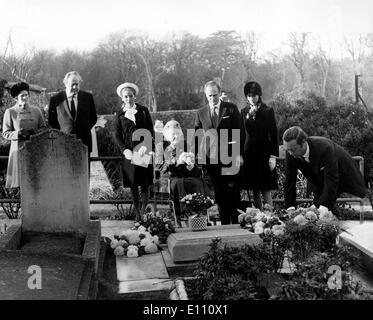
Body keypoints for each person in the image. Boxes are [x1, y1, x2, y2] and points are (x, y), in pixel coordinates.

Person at [193, 80, 244, 224]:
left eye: (215, 95)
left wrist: (239, 154)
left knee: (233, 190)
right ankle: (224, 223)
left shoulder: (231, 109)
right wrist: (196, 155)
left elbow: (240, 132)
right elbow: (198, 136)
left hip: (231, 155)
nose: (212, 99)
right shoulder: (201, 113)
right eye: (209, 96)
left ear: (219, 93)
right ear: (206, 95)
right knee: (219, 192)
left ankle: (236, 222)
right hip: (212, 158)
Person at [282, 126, 367, 212]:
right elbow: (289, 181)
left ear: (303, 142)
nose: (290, 153)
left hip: (343, 174)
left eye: (293, 150)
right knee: (316, 209)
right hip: (319, 178)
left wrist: (323, 208)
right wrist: (290, 208)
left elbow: (332, 179)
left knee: (323, 209)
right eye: (288, 150)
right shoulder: (290, 152)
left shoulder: (325, 147)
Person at [155, 120, 210, 226]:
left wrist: (192, 165)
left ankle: (199, 212)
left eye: (177, 134)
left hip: (188, 175)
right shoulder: (163, 148)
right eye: (172, 135)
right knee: (178, 183)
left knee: (198, 182)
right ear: (167, 137)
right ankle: (183, 213)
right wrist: (176, 162)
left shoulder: (187, 145)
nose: (175, 137)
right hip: (172, 177)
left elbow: (196, 163)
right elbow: (159, 166)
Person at [113, 82, 154, 221]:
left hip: (143, 151)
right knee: (134, 184)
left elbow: (150, 130)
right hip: (129, 153)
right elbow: (117, 135)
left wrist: (146, 145)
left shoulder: (143, 110)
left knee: (145, 183)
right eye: (126, 96)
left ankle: (144, 213)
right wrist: (125, 150)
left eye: (131, 96)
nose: (128, 99)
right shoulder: (119, 115)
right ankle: (137, 214)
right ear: (122, 98)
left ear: (134, 96)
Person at [240, 81, 279, 210]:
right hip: (249, 154)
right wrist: (240, 154)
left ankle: (270, 216)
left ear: (259, 95)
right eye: (250, 95)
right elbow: (242, 134)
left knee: (266, 188)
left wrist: (273, 156)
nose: (252, 98)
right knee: (255, 189)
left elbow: (273, 134)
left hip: (264, 154)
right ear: (247, 96)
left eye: (255, 95)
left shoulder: (268, 111)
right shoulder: (243, 111)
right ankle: (257, 217)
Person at [2, 82, 46, 188]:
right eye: (22, 96)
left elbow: (44, 128)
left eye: (27, 95)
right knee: (19, 181)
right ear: (16, 98)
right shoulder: (10, 112)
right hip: (18, 149)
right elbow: (5, 133)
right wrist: (18, 133)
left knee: (34, 181)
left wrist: (35, 133)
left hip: (34, 147)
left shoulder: (37, 111)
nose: (25, 97)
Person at [48, 71, 97, 153]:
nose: (75, 87)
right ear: (65, 84)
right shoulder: (56, 99)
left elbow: (93, 118)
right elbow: (52, 121)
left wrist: (83, 129)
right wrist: (62, 133)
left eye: (77, 84)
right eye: (72, 84)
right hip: (63, 142)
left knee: (84, 166)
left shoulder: (88, 97)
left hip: (84, 143)